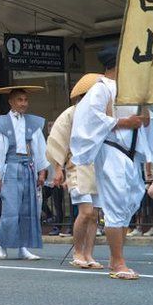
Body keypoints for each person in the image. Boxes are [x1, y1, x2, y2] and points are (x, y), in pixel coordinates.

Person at [70, 45, 153, 280]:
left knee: (129, 202)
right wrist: (122, 122)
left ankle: (115, 258)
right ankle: (118, 262)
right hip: (112, 152)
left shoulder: (131, 89)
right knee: (116, 205)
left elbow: (146, 118)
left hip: (132, 154)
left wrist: (147, 117)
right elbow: (88, 119)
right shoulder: (100, 89)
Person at [0, 86, 49, 261]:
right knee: (11, 209)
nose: (23, 103)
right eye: (19, 100)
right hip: (9, 168)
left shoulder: (33, 123)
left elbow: (40, 149)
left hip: (28, 168)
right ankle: (1, 241)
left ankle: (23, 247)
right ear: (11, 102)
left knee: (28, 209)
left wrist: (42, 171)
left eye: (25, 100)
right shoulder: (1, 124)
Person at [47, 73, 103, 269]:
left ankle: (89, 254)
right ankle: (78, 251)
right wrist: (57, 168)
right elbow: (58, 140)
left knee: (95, 213)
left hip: (97, 166)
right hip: (76, 166)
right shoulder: (71, 113)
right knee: (85, 211)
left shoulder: (101, 114)